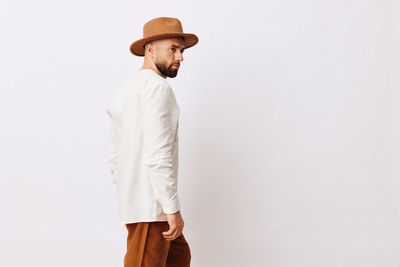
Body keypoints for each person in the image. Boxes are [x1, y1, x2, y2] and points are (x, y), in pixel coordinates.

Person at [106, 17, 199, 267]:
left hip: (141, 202)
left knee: (179, 257)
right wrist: (171, 209)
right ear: (150, 49)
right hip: (151, 206)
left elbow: (114, 156)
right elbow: (158, 153)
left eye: (182, 50)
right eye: (173, 49)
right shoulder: (157, 88)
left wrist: (128, 193)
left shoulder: (127, 90)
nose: (180, 57)